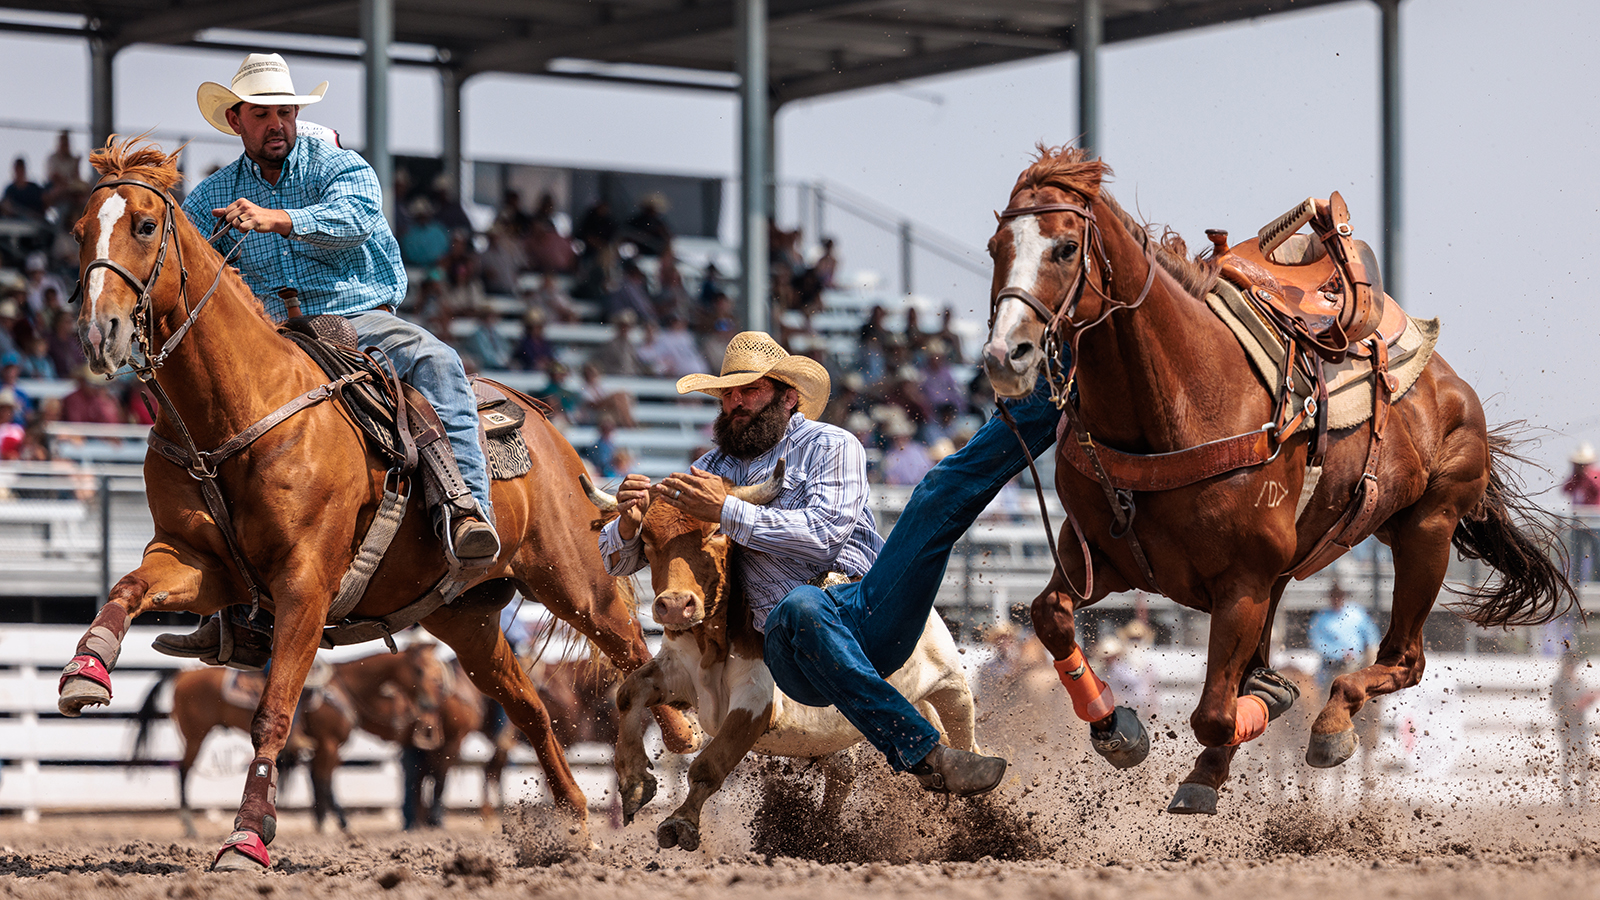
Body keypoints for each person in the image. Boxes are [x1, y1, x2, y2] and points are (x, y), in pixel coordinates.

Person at [599, 332, 1066, 796]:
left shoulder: (832, 446)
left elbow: (824, 536)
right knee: (800, 607)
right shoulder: (708, 469)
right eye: (728, 394)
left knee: (935, 497)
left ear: (789, 398)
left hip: (863, 606)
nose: (737, 403)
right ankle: (924, 751)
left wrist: (725, 511)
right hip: (783, 636)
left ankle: (1053, 400)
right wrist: (628, 524)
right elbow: (626, 558)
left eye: (751, 390)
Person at [154, 52, 499, 664]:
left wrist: (276, 219)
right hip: (270, 339)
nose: (277, 124)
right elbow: (190, 272)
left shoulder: (340, 166)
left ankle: (467, 507)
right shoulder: (210, 196)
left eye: (285, 112)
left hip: (358, 318)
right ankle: (233, 602)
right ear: (236, 120)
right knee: (209, 434)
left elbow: (358, 219)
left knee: (436, 361)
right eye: (263, 114)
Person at [1307, 581, 1380, 695]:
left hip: (1359, 662)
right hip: (1333, 665)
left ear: (1343, 596)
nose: (1336, 599)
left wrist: (1367, 652)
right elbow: (1317, 643)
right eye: (1334, 596)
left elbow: (1372, 635)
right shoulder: (1320, 618)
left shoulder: (1357, 613)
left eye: (1339, 595)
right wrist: (1340, 653)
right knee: (1330, 691)